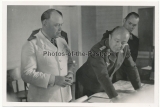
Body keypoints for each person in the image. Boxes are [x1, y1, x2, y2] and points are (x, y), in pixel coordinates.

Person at [75, 26, 141, 102]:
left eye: (123, 42)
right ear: (110, 37)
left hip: (103, 83)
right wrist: (115, 97)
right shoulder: (97, 50)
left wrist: (138, 89)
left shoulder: (125, 48)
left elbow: (131, 67)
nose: (119, 45)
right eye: (117, 41)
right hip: (86, 82)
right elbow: (102, 75)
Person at [21, 9, 74, 102]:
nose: (60, 29)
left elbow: (70, 62)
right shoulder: (31, 44)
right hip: (44, 99)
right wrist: (53, 79)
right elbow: (26, 74)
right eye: (56, 25)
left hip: (65, 98)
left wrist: (70, 73)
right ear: (45, 23)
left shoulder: (62, 41)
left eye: (61, 24)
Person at [102, 12, 140, 81]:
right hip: (108, 73)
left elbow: (133, 60)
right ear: (124, 21)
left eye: (134, 25)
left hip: (124, 76)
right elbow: (103, 55)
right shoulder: (109, 35)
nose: (131, 27)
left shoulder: (135, 40)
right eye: (129, 23)